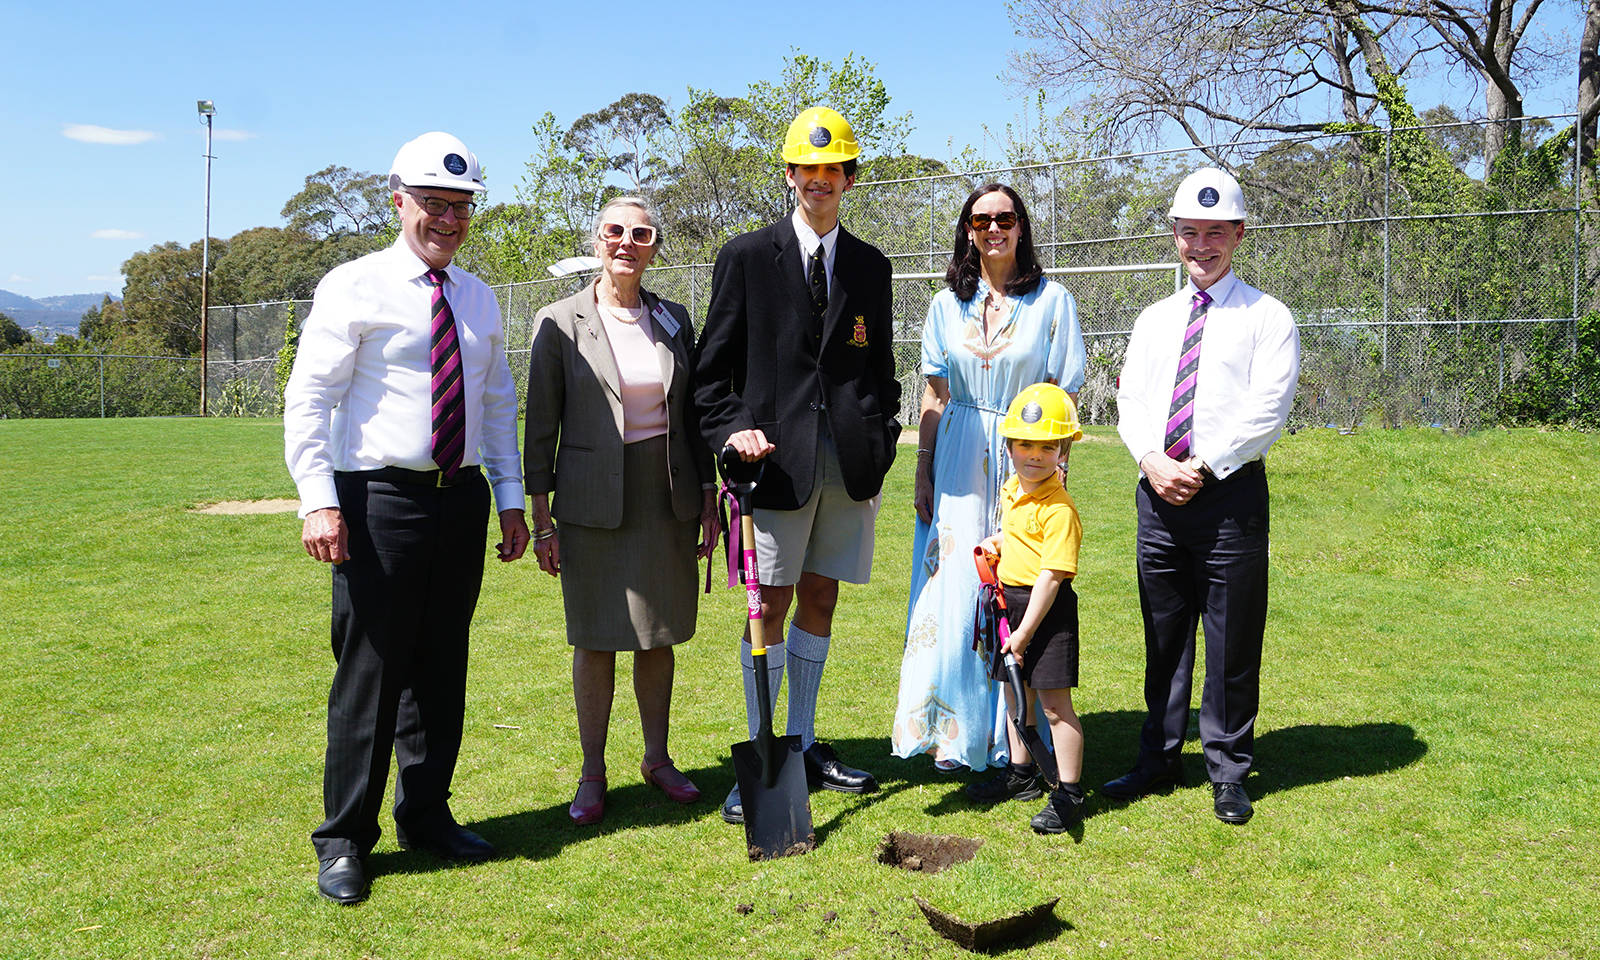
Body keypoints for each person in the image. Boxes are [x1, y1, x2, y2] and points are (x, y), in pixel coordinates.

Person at [284, 131, 529, 905]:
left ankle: (427, 813)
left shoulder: (480, 296)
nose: (448, 219)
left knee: (441, 665)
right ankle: (345, 841)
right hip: (376, 499)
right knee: (371, 672)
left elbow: (495, 403)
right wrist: (318, 498)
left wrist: (512, 496)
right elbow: (310, 398)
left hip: (458, 498)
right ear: (399, 200)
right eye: (434, 203)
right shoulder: (354, 285)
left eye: (461, 207)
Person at [692, 106, 902, 825]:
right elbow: (710, 379)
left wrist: (880, 437)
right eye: (807, 170)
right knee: (769, 609)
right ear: (789, 175)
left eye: (833, 170)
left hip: (848, 470)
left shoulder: (872, 266)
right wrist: (734, 434)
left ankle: (806, 742)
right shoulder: (746, 258)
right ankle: (765, 752)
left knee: (821, 599)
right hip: (775, 471)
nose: (820, 181)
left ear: (850, 178)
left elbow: (882, 371)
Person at [1104, 167, 1300, 824]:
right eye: (1190, 232)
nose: (1202, 245)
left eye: (1216, 232)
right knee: (1164, 637)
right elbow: (1130, 401)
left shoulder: (1267, 317)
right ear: (1175, 237)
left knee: (1231, 639)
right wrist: (1153, 462)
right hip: (1157, 493)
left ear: (1239, 234)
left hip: (1229, 498)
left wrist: (1204, 466)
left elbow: (1268, 409)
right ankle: (1158, 758)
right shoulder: (1155, 319)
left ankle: (1227, 769)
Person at [523, 196, 719, 826]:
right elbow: (541, 426)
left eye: (641, 233)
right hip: (590, 504)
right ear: (597, 238)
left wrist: (710, 498)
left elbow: (694, 417)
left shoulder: (674, 319)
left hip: (667, 498)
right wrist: (541, 517)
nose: (626, 243)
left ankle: (657, 759)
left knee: (657, 637)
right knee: (596, 639)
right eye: (614, 231)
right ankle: (592, 771)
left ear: (655, 244)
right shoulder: (558, 321)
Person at [891, 184, 1085, 777]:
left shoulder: (1053, 302)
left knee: (1015, 590)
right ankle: (953, 734)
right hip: (955, 460)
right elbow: (933, 391)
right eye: (981, 219)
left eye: (1004, 217)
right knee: (953, 594)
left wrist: (1051, 483)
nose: (993, 228)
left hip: (1023, 460)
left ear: (1021, 226)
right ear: (968, 230)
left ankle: (1014, 742)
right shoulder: (945, 304)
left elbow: (1065, 392)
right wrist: (922, 467)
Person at [975, 383, 1087, 834]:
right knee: (1013, 694)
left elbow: (1052, 576)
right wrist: (996, 543)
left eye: (1046, 446)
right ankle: (1022, 776)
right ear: (1010, 445)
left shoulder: (1059, 510)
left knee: (1056, 705)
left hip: (1046, 612)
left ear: (1062, 450)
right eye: (1025, 443)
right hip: (1010, 603)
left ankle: (1070, 793)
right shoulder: (1013, 489)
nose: (1035, 455)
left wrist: (1022, 636)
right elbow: (1020, 539)